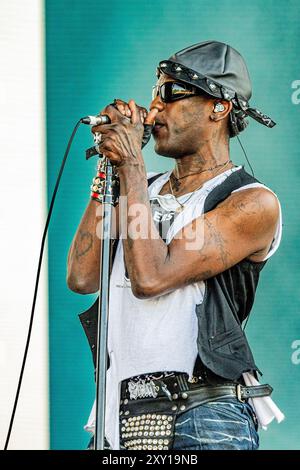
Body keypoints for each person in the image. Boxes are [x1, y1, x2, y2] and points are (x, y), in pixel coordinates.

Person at [67, 40, 284, 451]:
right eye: (153, 95)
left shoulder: (251, 202)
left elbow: (151, 277)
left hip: (203, 416)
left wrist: (131, 163)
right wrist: (110, 171)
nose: (154, 108)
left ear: (219, 107)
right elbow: (81, 276)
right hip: (119, 413)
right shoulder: (137, 190)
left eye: (170, 93)